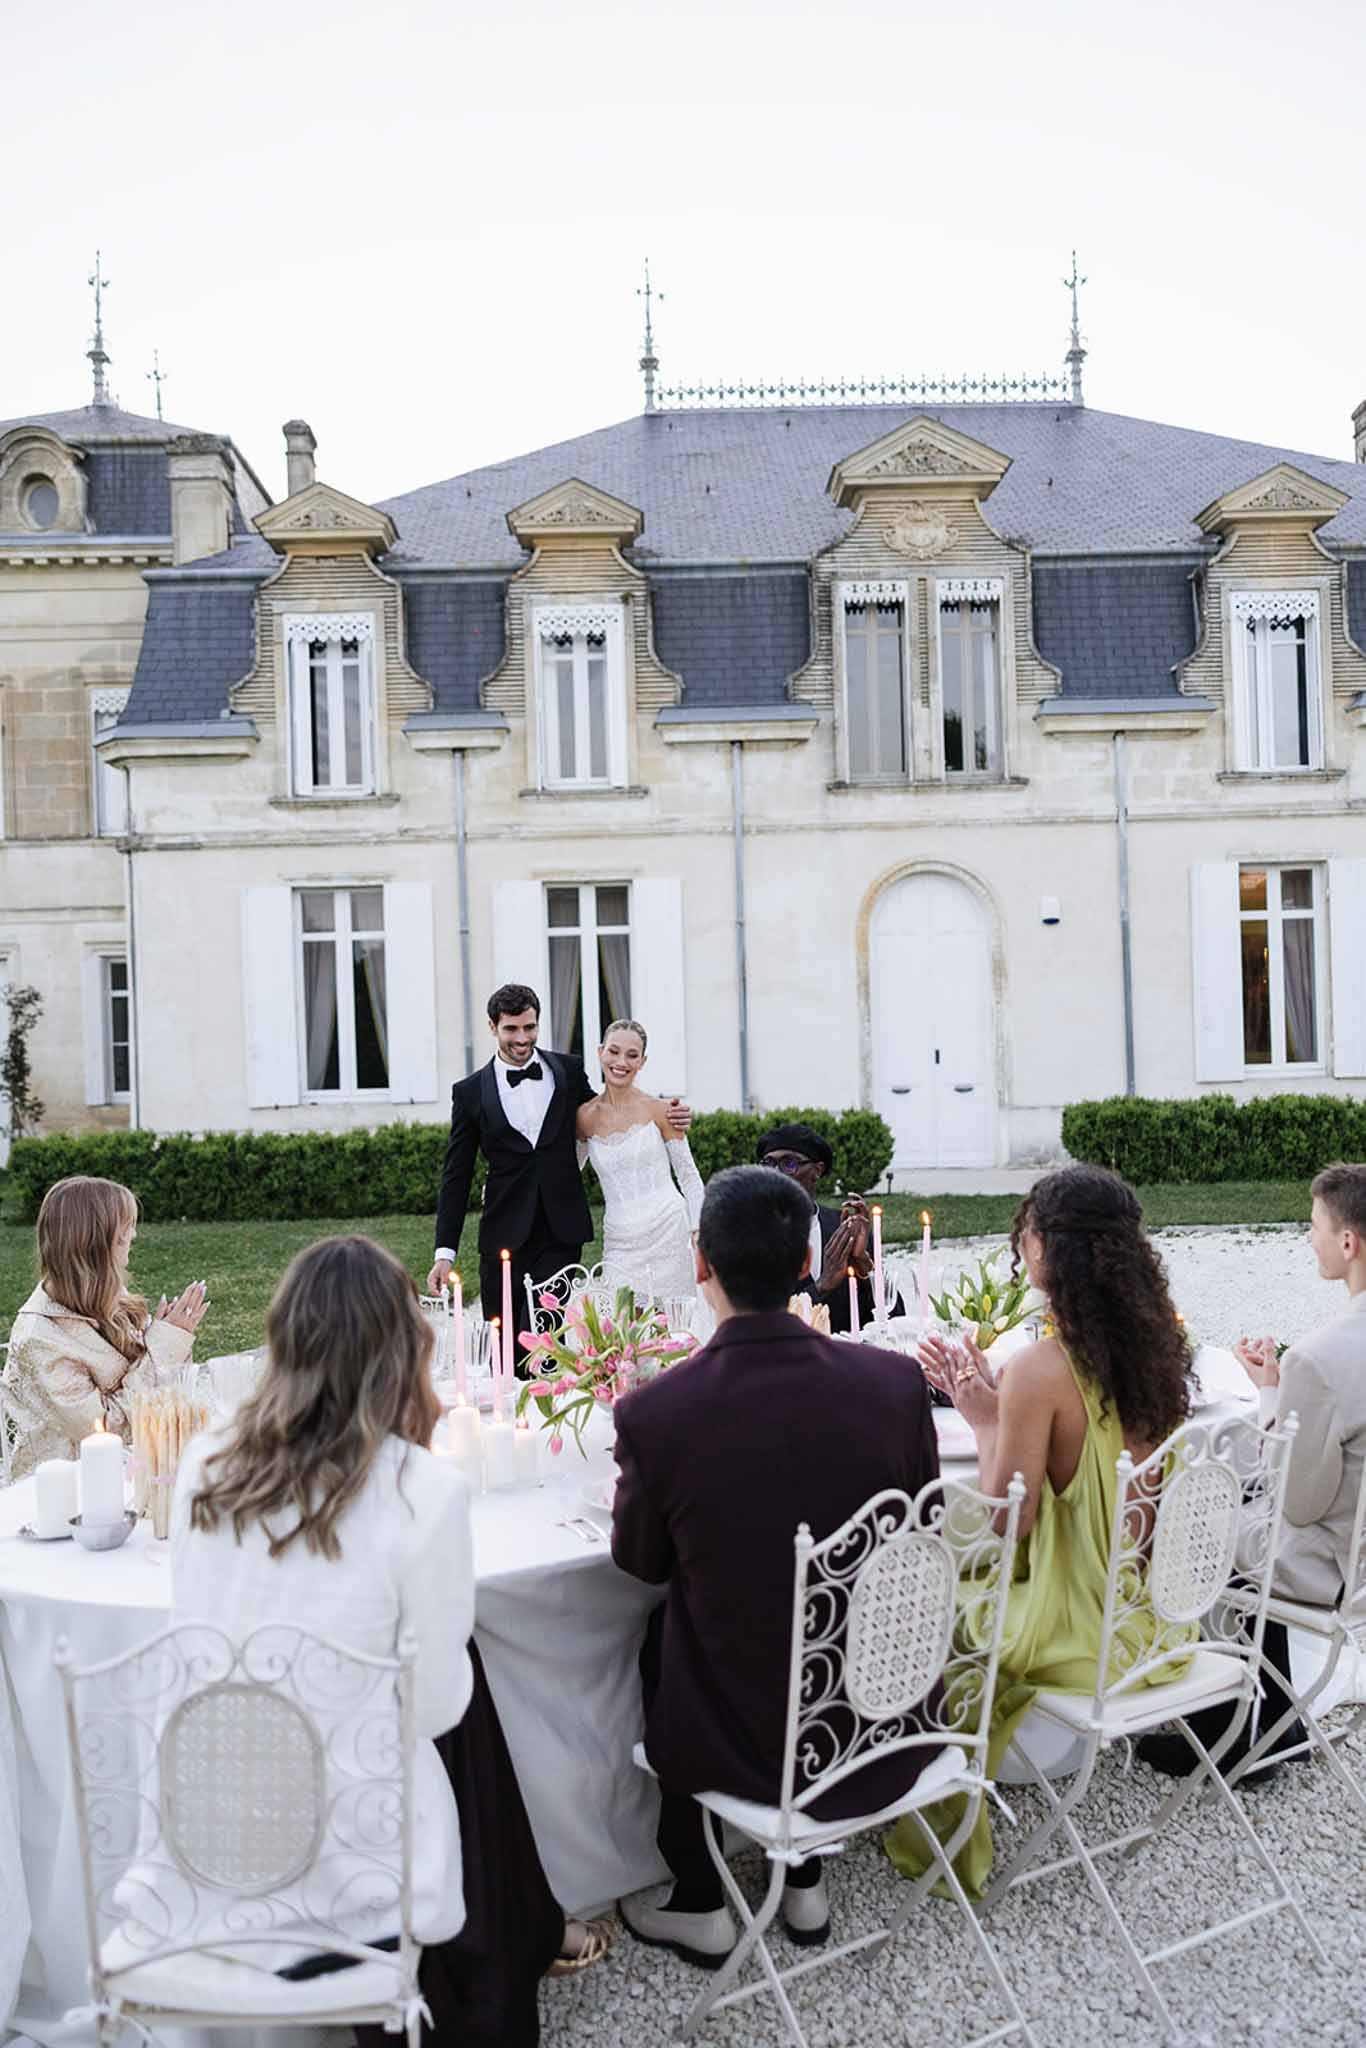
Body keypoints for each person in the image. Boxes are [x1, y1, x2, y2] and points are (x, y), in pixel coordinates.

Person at [152, 1236, 609, 2043]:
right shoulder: (422, 1489)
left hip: (209, 1821)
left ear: (283, 1339)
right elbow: (433, 1708)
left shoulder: (204, 1460)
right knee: (454, 1703)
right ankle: (487, 1963)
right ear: (403, 1348)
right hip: (350, 1851)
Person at [612, 1164, 940, 1967]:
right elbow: (918, 1528)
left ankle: (699, 1894)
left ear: (700, 1262)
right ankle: (803, 1879)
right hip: (879, 1712)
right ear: (806, 1264)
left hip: (751, 1737)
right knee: (809, 1606)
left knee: (664, 1630)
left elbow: (639, 1563)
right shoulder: (896, 1383)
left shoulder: (657, 1411)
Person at [887, 1162, 1197, 1895]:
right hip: (1156, 1622)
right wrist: (996, 1412)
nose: (1022, 1245)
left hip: (1078, 1634)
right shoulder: (1156, 1349)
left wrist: (985, 1422)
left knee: (912, 1603)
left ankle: (921, 1816)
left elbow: (1006, 1523)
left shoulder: (1040, 1367)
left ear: (1050, 1249)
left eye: (1027, 1232)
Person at [1137, 1160, 1366, 1778]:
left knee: (1188, 1520)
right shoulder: (1321, 1356)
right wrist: (1275, 1389)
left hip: (1332, 1564)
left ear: (1348, 1242)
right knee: (1232, 1500)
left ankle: (1226, 1727)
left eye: (1314, 1225)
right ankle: (1279, 1717)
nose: (1309, 1238)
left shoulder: (1320, 1357)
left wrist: (1274, 1402)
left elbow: (1299, 1505)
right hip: (1359, 1548)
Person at [427, 983, 691, 1322]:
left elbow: (611, 1112)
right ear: (493, 1027)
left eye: (529, 1027)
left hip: (560, 1233)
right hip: (502, 1231)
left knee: (542, 1333)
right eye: (511, 1029)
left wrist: (669, 1114)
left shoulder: (567, 1071)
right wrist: (444, 1253)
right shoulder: (469, 1092)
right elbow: (456, 1176)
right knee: (503, 1339)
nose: (522, 1038)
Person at [2, 1174, 206, 1481]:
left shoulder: (107, 1297)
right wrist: (165, 1345)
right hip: (73, 1487)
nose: (134, 1234)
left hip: (138, 1466)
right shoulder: (39, 1337)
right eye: (125, 1228)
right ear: (95, 1243)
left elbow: (163, 1383)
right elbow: (107, 1432)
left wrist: (166, 1335)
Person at [576, 1020, 705, 1299]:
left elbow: (688, 1176)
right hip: (619, 1241)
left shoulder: (660, 1110)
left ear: (642, 1061)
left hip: (669, 1231)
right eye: (614, 1051)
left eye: (632, 1055)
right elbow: (569, 1172)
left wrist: (699, 1230)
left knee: (673, 1320)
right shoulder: (584, 1117)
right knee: (621, 1319)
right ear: (600, 1052)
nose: (621, 1062)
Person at [755, 1122, 902, 1331]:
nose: (776, 1173)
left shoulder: (844, 1229)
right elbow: (759, 1326)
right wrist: (821, 1286)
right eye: (768, 1164)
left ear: (817, 1170)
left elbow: (896, 1322)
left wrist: (865, 1268)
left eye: (789, 1164)